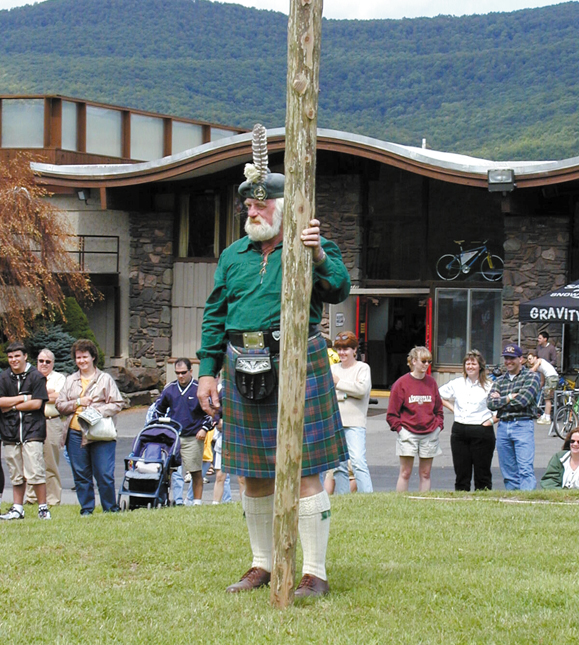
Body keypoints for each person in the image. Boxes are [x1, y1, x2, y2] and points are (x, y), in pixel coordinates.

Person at [196, 125, 350, 598]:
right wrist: (206, 371)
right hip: (242, 363)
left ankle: (316, 573)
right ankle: (261, 564)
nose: (253, 210)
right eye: (248, 204)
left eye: (261, 205)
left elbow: (340, 287)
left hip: (296, 360)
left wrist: (319, 254)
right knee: (253, 472)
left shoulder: (308, 246)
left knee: (304, 469)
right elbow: (215, 314)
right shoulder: (233, 255)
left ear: (283, 208)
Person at [56, 339, 123, 515]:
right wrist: (78, 402)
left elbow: (118, 403)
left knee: (104, 474)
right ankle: (87, 509)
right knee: (81, 475)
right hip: (75, 434)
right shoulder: (70, 380)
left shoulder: (105, 379)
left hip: (100, 434)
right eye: (78, 357)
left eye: (85, 357)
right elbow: (60, 405)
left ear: (93, 357)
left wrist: (96, 411)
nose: (82, 361)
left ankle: (110, 508)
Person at [0, 341, 50, 520]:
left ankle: (43, 508)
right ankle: (17, 508)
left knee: (35, 469)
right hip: (10, 431)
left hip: (32, 430)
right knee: (16, 472)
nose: (14, 360)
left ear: (25, 356)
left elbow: (37, 403)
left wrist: (12, 406)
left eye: (17, 356)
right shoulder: (4, 378)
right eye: (10, 357)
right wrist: (22, 398)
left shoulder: (36, 377)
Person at [155, 358, 214, 506]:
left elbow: (211, 413)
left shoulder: (198, 389)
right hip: (173, 437)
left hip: (193, 436)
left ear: (190, 371)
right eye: (177, 373)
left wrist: (204, 429)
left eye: (183, 373)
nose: (180, 376)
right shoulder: (170, 389)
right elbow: (158, 411)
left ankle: (197, 502)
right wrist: (162, 428)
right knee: (167, 471)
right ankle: (166, 499)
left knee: (195, 471)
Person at [387, 346, 444, 492]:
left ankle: (424, 502)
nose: (426, 364)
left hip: (429, 432)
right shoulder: (401, 383)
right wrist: (400, 430)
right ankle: (401, 503)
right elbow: (392, 414)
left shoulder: (431, 383)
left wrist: (438, 427)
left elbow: (439, 410)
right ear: (413, 361)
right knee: (405, 472)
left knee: (425, 473)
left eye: (429, 361)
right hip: (408, 432)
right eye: (423, 361)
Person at [439, 350, 495, 491]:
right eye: (467, 364)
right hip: (460, 430)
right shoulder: (457, 383)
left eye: (473, 364)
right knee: (461, 472)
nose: (470, 367)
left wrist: (491, 422)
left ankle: (483, 503)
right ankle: (461, 501)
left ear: (480, 366)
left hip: (481, 430)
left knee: (482, 473)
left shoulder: (489, 385)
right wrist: (453, 409)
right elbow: (437, 394)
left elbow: (500, 408)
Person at [487, 343, 541, 491]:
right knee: (508, 472)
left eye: (512, 358)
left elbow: (523, 401)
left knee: (525, 469)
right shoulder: (499, 381)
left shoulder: (532, 377)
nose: (508, 361)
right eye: (506, 358)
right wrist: (509, 397)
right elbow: (490, 403)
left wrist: (500, 400)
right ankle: (513, 503)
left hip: (522, 425)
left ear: (521, 359)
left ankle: (527, 503)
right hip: (503, 426)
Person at [331, 331, 373, 494]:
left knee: (357, 461)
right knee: (339, 464)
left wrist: (339, 383)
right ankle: (342, 496)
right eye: (339, 349)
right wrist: (348, 390)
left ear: (355, 350)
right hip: (336, 421)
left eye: (346, 349)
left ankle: (367, 496)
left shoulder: (362, 368)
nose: (342, 353)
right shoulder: (332, 368)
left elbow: (362, 390)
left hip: (355, 422)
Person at [26, 349, 66, 506]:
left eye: (47, 362)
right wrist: (47, 393)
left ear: (53, 363)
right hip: (31, 422)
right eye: (41, 361)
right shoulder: (30, 377)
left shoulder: (59, 378)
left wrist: (37, 395)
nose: (44, 364)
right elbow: (26, 397)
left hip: (51, 421)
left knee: (51, 463)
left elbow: (59, 397)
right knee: (31, 460)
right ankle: (31, 498)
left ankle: (53, 499)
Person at [526, 350, 558, 425]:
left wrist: (528, 372)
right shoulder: (541, 367)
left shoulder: (539, 361)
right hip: (549, 378)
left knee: (547, 399)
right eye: (528, 360)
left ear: (535, 358)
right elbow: (542, 378)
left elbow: (533, 370)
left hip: (551, 378)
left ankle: (547, 417)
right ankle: (545, 415)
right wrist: (539, 387)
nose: (529, 361)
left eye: (530, 359)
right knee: (546, 397)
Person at [384, 318, 409, 388]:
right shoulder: (391, 333)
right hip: (394, 354)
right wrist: (389, 352)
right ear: (395, 324)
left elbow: (408, 342)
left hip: (403, 354)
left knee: (403, 370)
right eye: (399, 323)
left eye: (401, 324)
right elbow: (387, 343)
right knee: (393, 370)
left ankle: (404, 385)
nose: (400, 325)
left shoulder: (403, 333)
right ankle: (391, 384)